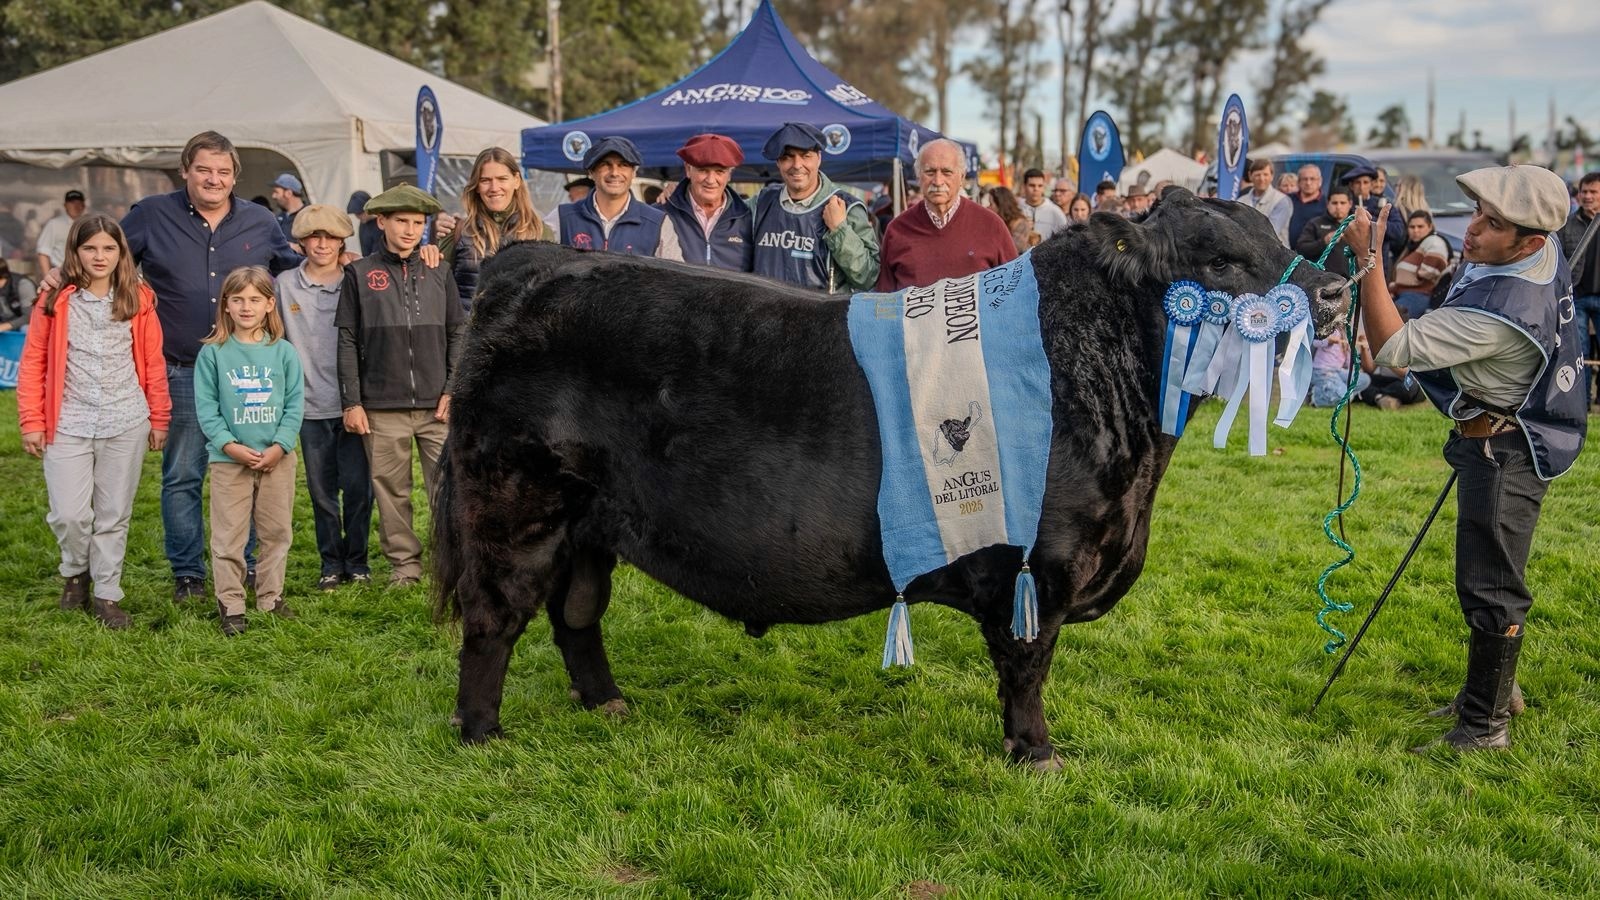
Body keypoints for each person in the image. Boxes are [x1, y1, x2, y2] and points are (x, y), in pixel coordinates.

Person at [1342, 164, 1587, 752]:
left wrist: (1369, 260)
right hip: (1508, 434)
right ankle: (1498, 693)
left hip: (1504, 451)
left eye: (1492, 222)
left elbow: (1392, 350)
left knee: (1491, 587)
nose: (1472, 228)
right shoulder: (1542, 251)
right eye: (1477, 211)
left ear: (1529, 242)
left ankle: (1484, 725)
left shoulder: (1495, 316)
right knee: (1490, 575)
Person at [34, 132, 301, 605]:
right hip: (180, 367)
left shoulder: (260, 220)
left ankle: (246, 566)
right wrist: (62, 271)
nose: (214, 179)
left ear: (235, 177)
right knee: (182, 474)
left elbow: (290, 266)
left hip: (245, 373)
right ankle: (188, 573)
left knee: (249, 468)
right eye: (204, 170)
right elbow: (105, 252)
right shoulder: (151, 214)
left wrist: (341, 258)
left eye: (223, 172)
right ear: (185, 171)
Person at [17, 215, 170, 630]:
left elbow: (153, 361)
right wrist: (31, 420)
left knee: (113, 514)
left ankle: (106, 593)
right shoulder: (54, 298)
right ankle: (75, 571)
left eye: (108, 248)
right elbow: (33, 362)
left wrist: (160, 416)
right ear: (75, 251)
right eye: (90, 248)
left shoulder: (138, 296)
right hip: (68, 421)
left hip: (126, 418)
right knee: (69, 514)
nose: (99, 256)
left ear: (121, 252)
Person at [337, 184, 464, 587]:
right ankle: (405, 566)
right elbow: (347, 339)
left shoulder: (439, 270)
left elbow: (457, 333)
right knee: (392, 492)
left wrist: (452, 389)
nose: (410, 230)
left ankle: (453, 563)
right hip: (381, 404)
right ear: (381, 222)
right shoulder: (359, 274)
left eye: (418, 223)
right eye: (402, 221)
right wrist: (352, 401)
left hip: (437, 406)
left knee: (449, 488)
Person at [195, 266, 304, 634]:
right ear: (225, 304)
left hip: (277, 459)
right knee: (229, 536)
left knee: (276, 532)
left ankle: (270, 597)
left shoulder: (284, 352)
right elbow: (207, 408)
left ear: (269, 304)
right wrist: (230, 446)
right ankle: (231, 603)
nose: (246, 307)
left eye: (255, 299)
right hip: (229, 461)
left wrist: (280, 445)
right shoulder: (213, 354)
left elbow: (294, 404)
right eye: (238, 299)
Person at [278, 205, 373, 592]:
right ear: (301, 243)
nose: (322, 244)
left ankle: (359, 561)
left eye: (331, 237)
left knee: (359, 489)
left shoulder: (356, 279)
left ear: (342, 241)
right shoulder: (285, 284)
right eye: (313, 237)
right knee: (321, 492)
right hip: (309, 406)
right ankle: (330, 562)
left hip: (355, 403)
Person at [875, 139, 1017, 291]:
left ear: (961, 177)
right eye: (930, 172)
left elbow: (1015, 287)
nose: (938, 181)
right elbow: (885, 297)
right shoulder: (897, 230)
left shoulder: (991, 225)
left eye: (947, 172)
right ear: (918, 177)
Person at [751, 122, 879, 292]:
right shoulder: (760, 203)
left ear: (819, 158)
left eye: (805, 156)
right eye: (788, 157)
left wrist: (840, 230)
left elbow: (869, 277)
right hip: (766, 308)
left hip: (824, 309)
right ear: (778, 163)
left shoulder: (847, 207)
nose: (797, 165)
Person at [438, 147, 544, 306]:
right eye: (485, 180)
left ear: (516, 180)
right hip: (467, 322)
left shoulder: (540, 231)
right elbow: (436, 288)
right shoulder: (456, 230)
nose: (494, 188)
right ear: (476, 185)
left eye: (502, 179)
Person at [558, 136, 682, 260]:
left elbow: (674, 271)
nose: (614, 173)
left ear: (634, 172)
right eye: (605, 165)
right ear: (591, 172)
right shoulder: (561, 217)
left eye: (623, 165)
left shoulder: (658, 223)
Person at [661, 133, 754, 271]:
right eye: (703, 170)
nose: (710, 180)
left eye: (719, 171)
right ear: (688, 169)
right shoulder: (661, 215)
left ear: (729, 175)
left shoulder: (748, 219)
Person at [1556, 171, 1599, 409]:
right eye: (1584, 191)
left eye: (1593, 192)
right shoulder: (1567, 224)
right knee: (1579, 352)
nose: (1588, 196)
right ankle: (1583, 403)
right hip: (1576, 297)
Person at [1389, 210, 1451, 319]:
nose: (1416, 230)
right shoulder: (1413, 245)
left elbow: (1429, 272)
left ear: (1430, 227)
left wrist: (1401, 283)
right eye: (1412, 227)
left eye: (1420, 226)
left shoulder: (1434, 242)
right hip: (1405, 294)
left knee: (1390, 320)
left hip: (1418, 295)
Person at [1343, 164, 1405, 267]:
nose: (1362, 187)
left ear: (1371, 184)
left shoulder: (1382, 204)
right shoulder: (1344, 205)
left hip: (1377, 262)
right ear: (1351, 186)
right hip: (1350, 263)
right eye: (1358, 183)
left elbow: (1398, 231)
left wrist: (1374, 222)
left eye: (1365, 182)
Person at [1308, 328, 1371, 407]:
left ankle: (1335, 392)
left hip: (1338, 371)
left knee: (1365, 379)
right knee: (1346, 396)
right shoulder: (1330, 329)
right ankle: (1313, 396)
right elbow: (1314, 342)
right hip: (1322, 370)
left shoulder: (1347, 335)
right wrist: (1328, 341)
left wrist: (1363, 348)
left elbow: (1348, 361)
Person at [35, 189, 88, 276]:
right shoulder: (54, 224)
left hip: (85, 274)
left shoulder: (88, 225)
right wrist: (47, 277)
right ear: (65, 205)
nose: (76, 206)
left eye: (79, 203)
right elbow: (43, 252)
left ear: (83, 206)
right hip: (62, 274)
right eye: (72, 203)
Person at [1240, 158, 1292, 245]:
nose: (1262, 178)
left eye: (1265, 174)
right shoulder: (1240, 201)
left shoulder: (1281, 201)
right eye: (1258, 175)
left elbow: (1270, 233)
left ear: (1272, 176)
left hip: (1275, 252)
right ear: (1250, 175)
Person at [1294, 187, 1354, 261]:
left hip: (1353, 268)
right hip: (1320, 268)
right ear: (1327, 204)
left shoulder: (1358, 224)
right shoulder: (1315, 223)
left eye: (1342, 203)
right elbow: (1300, 249)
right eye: (1334, 203)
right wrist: (1324, 242)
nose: (1338, 207)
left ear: (1350, 204)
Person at [1018, 168, 1069, 241]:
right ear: (1024, 186)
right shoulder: (1016, 209)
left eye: (1040, 186)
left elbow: (1065, 239)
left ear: (1044, 187)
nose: (1036, 189)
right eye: (1032, 185)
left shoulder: (1055, 211)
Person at [1288, 164, 1325, 250]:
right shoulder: (1287, 200)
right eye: (1305, 179)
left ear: (1320, 181)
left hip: (1314, 254)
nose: (1308, 183)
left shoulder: (1326, 204)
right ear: (1298, 182)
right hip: (1287, 252)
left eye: (1312, 179)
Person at [988, 186, 1036, 252]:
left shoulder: (1020, 224)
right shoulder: (995, 222)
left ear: (1001, 205)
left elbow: (1013, 249)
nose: (988, 207)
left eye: (991, 204)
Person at [270, 173, 307, 244]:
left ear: (289, 193)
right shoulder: (279, 216)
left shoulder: (308, 216)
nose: (273, 196)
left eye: (276, 192)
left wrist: (297, 247)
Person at [347, 191, 381, 256]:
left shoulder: (381, 224)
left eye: (360, 213)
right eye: (356, 214)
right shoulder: (363, 224)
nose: (358, 217)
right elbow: (365, 251)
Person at [0, 259, 30, 331]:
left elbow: (29, 316)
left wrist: (5, 326)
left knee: (25, 329)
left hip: (22, 324)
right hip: (5, 324)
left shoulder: (23, 284)